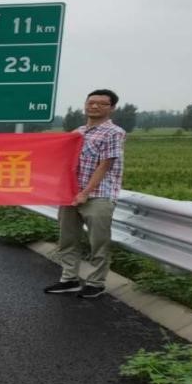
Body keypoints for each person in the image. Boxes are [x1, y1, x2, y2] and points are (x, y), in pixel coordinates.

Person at [44, 89, 126, 299]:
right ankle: (69, 279)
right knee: (68, 238)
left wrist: (85, 192)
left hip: (98, 195)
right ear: (85, 105)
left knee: (98, 241)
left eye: (102, 103)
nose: (95, 106)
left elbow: (105, 165)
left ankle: (96, 282)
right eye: (91, 102)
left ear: (112, 108)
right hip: (70, 194)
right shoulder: (77, 132)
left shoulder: (114, 132)